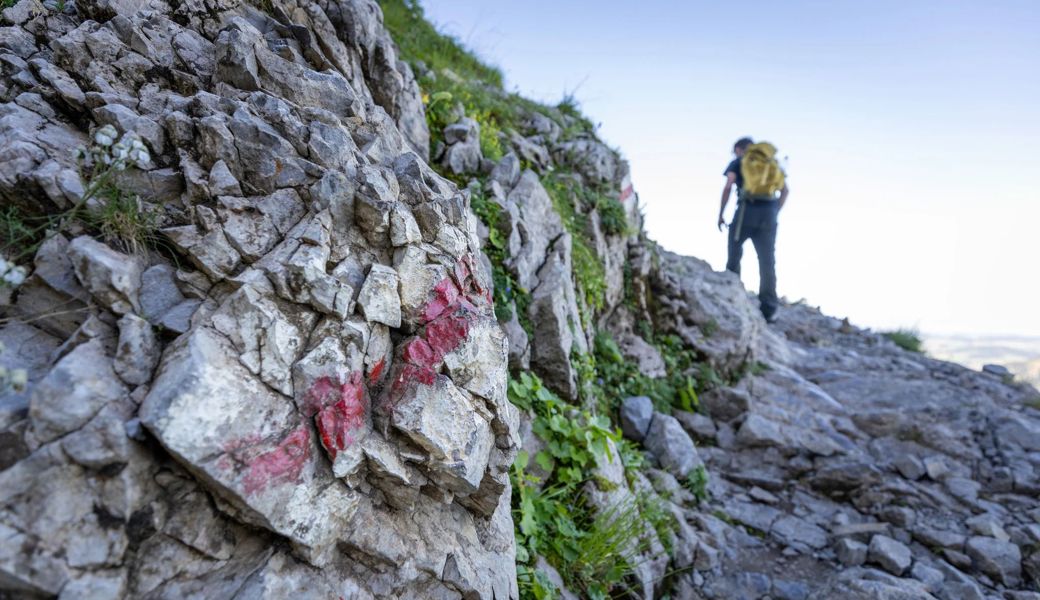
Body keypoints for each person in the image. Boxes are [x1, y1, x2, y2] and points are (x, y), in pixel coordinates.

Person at [717, 137, 789, 323]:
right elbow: (785, 191)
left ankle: (732, 295)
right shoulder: (771, 163)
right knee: (767, 262)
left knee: (734, 254)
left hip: (745, 212)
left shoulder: (740, 161)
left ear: (740, 149)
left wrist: (721, 213)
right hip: (768, 214)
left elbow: (728, 187)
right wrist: (774, 212)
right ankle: (769, 310)